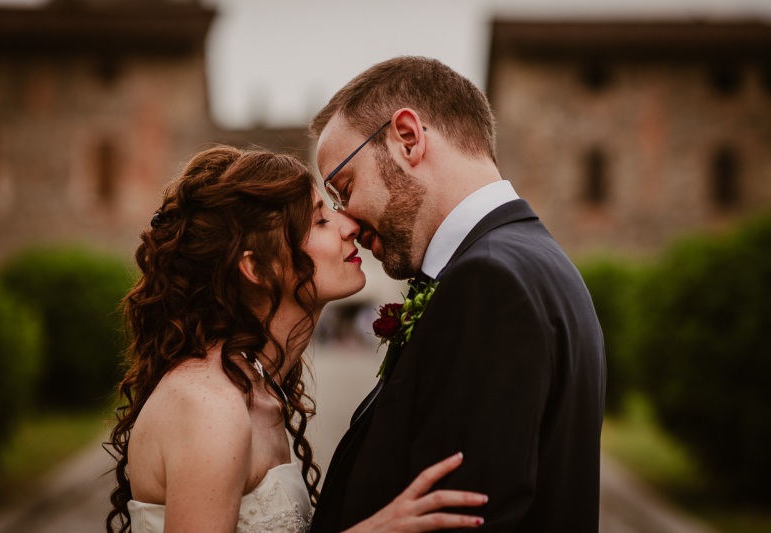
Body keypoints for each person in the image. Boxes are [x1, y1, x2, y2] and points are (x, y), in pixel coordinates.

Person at [105, 146, 489, 533]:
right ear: (255, 266)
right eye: (320, 220)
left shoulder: (257, 389)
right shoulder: (211, 408)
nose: (349, 225)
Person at [309, 56, 606, 532]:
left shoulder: (490, 283)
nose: (345, 219)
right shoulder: (533, 260)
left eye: (343, 188)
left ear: (407, 137)